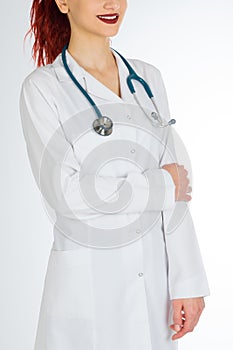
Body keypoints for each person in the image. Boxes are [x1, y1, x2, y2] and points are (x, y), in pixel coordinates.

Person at [19, 0, 210, 349]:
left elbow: (179, 193)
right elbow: (65, 194)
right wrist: (161, 185)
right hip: (87, 286)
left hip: (155, 284)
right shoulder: (44, 89)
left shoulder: (147, 79)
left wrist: (188, 282)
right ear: (63, 2)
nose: (111, 4)